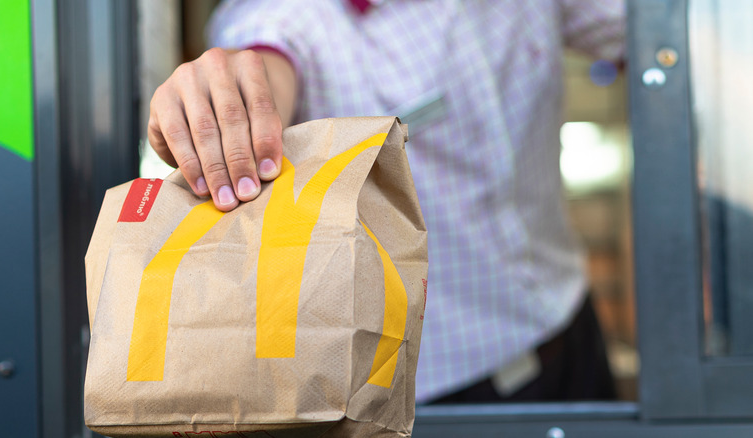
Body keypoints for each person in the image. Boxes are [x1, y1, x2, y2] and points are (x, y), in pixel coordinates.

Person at [148, 0, 624, 404]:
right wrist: (226, 91)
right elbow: (258, 66)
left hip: (571, 328)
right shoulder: (286, 18)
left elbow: (649, 27)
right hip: (434, 392)